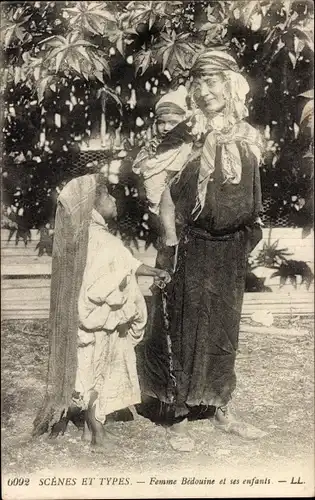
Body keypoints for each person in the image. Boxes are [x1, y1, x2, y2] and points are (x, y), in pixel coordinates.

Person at [136, 50, 266, 451]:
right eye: (199, 83)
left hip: (230, 247)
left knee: (223, 328)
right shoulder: (185, 134)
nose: (206, 91)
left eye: (213, 82)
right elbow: (165, 195)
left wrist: (250, 239)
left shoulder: (247, 135)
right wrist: (171, 244)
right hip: (188, 244)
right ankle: (176, 416)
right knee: (181, 323)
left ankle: (219, 406)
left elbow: (250, 194)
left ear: (230, 86)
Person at [32, 173, 170, 450]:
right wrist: (124, 291)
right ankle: (97, 432)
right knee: (97, 373)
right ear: (94, 206)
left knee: (93, 370)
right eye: (108, 196)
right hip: (98, 319)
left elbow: (126, 263)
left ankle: (88, 429)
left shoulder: (93, 236)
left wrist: (150, 270)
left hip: (94, 320)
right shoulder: (98, 240)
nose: (114, 200)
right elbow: (100, 282)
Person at [132, 85, 192, 217]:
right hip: (155, 210)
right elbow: (141, 169)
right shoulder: (151, 147)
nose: (166, 128)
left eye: (173, 122)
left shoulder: (189, 147)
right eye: (161, 123)